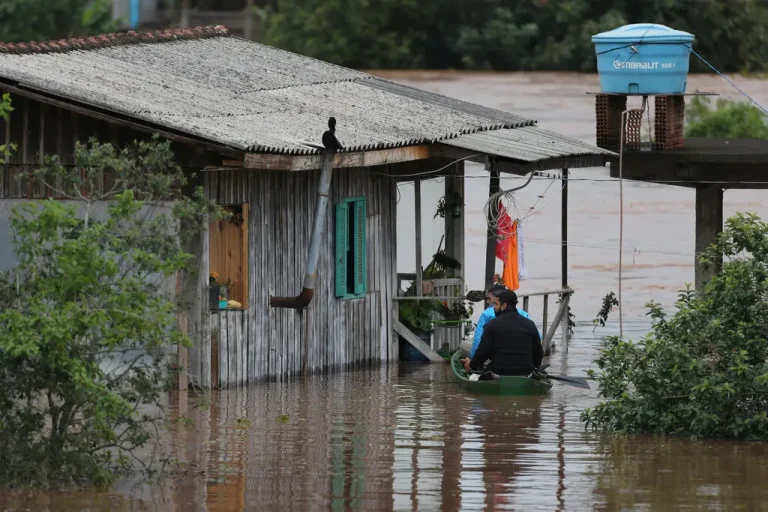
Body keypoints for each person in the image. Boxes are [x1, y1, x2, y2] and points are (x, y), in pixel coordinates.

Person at [462, 290, 543, 376]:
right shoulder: (530, 324)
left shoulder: (491, 325)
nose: (494, 308)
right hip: (525, 372)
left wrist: (471, 365)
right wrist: (534, 367)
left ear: (504, 305)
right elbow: (538, 354)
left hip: (499, 372)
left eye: (496, 304)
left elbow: (482, 353)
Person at [470, 285, 534, 358]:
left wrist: (472, 361)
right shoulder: (524, 315)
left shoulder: (487, 316)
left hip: (496, 360)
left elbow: (478, 339)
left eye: (489, 298)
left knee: (464, 345)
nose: (487, 302)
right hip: (524, 360)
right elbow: (537, 339)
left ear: (497, 298)